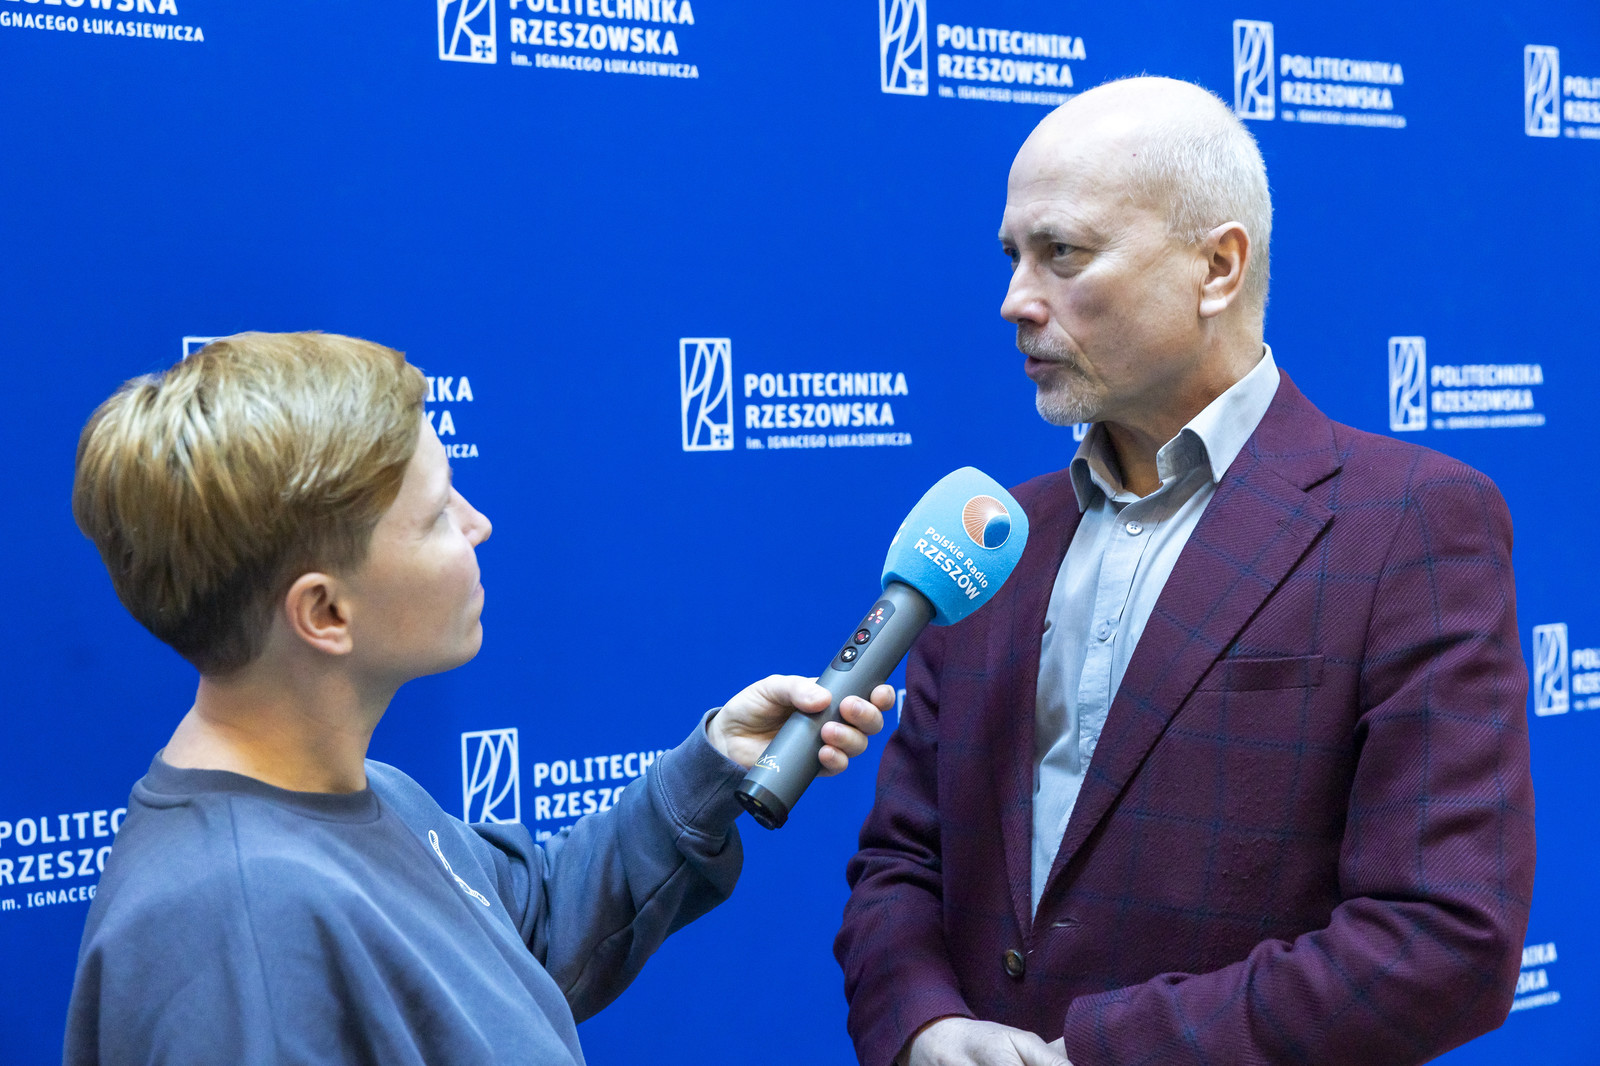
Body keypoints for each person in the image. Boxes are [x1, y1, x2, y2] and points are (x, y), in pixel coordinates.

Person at [835, 76, 1535, 1066]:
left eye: (1062, 253)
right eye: (1011, 256)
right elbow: (902, 862)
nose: (1014, 301)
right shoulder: (993, 540)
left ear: (1217, 267)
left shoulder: (1411, 523)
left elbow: (1443, 939)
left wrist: (1096, 1055)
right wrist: (924, 1026)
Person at [64, 331, 891, 1065]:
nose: (477, 524)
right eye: (436, 516)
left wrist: (712, 767)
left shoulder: (362, 793)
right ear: (325, 613)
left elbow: (523, 939)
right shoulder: (235, 933)